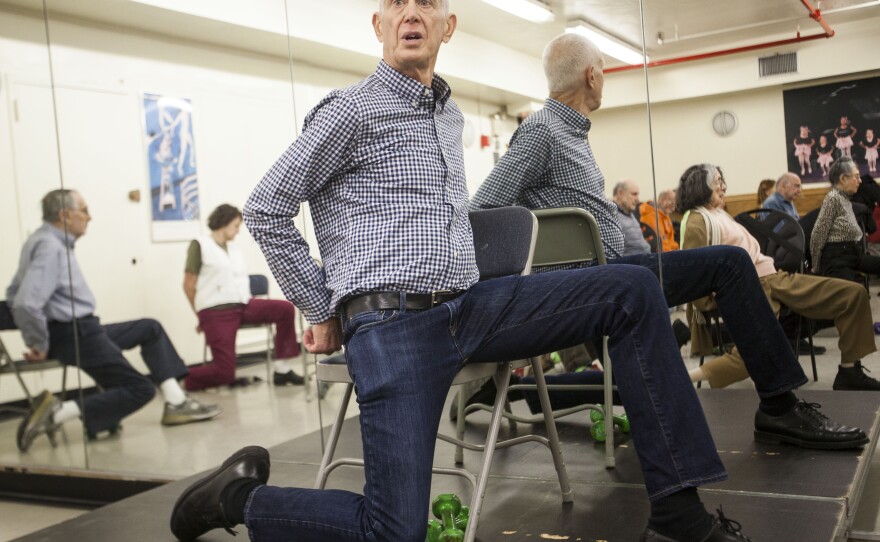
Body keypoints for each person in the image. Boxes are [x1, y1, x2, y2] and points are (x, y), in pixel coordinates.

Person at [164, 12, 862, 542]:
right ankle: (235, 501)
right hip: (391, 326)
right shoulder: (349, 111)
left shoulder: (448, 119)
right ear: (379, 24)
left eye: (427, 1)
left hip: (471, 306)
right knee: (393, 530)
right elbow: (267, 206)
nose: (411, 11)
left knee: (631, 288)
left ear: (446, 25)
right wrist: (319, 305)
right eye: (396, 1)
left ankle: (678, 510)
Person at [468, 24, 864, 445]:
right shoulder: (543, 130)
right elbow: (483, 207)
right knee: (730, 264)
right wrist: (544, 259)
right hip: (592, 278)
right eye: (602, 69)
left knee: (729, 267)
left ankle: (776, 406)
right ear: (592, 76)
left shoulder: (569, 132)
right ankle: (780, 407)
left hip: (610, 271)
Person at [7, 189, 221, 452]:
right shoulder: (50, 247)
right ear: (64, 215)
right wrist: (38, 343)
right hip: (74, 334)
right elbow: (25, 302)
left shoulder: (40, 241)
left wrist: (39, 337)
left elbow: (12, 294)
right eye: (84, 210)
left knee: (149, 328)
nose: (89, 217)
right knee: (140, 388)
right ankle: (57, 412)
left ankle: (176, 403)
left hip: (81, 329)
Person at [677, 163, 880, 392]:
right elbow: (695, 272)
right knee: (756, 352)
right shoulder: (697, 221)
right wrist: (715, 301)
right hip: (751, 287)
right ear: (700, 188)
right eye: (717, 183)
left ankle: (849, 371)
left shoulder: (718, 214)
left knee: (852, 294)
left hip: (774, 277)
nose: (723, 187)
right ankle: (681, 378)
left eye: (722, 182)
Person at [182, 204, 303, 390]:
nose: (238, 231)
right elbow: (188, 285)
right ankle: (178, 378)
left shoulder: (233, 250)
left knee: (285, 309)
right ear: (224, 221)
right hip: (217, 311)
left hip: (243, 305)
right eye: (236, 225)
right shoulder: (200, 245)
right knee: (224, 373)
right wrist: (200, 316)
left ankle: (282, 369)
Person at [810, 156, 880, 282]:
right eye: (856, 176)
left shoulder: (844, 199)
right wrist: (815, 268)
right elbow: (818, 235)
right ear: (843, 179)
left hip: (851, 255)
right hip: (837, 260)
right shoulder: (833, 199)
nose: (860, 181)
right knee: (856, 290)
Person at [613, 180, 651, 255]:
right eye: (634, 194)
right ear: (620, 193)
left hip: (647, 257)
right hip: (634, 262)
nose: (638, 199)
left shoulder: (630, 213)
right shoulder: (612, 216)